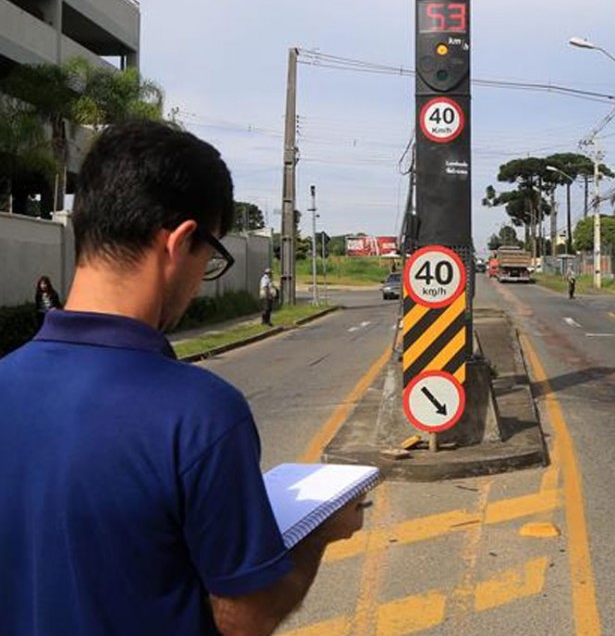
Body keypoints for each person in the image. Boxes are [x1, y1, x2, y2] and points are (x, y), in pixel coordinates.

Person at [0, 121, 364, 636]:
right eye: (209, 257)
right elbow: (244, 618)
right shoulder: (201, 413)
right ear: (180, 242)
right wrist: (320, 534)